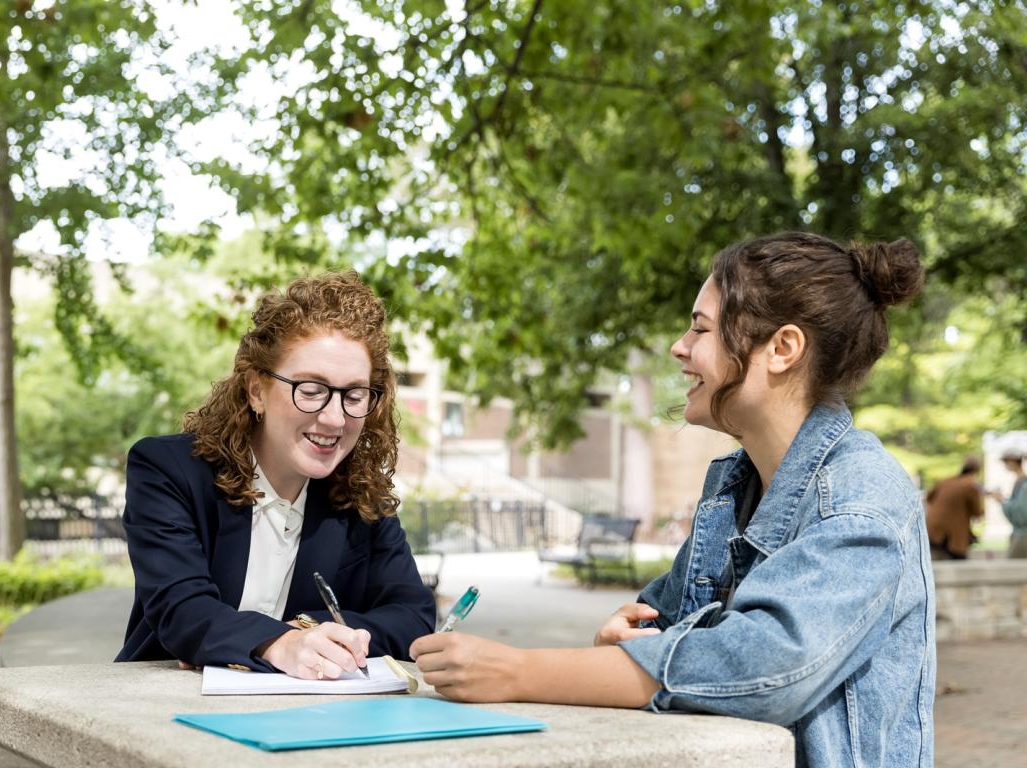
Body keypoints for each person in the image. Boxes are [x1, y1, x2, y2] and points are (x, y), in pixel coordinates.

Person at [410, 232, 935, 767]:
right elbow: (653, 631)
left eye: (700, 328)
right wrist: (624, 640)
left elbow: (762, 668)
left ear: (782, 349)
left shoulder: (861, 499)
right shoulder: (734, 484)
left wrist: (517, 672)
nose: (679, 347)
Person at [116, 271, 435, 680]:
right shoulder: (168, 470)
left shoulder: (359, 494)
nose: (335, 417)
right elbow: (181, 610)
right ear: (256, 391)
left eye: (354, 395)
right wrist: (277, 644)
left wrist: (307, 630)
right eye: (311, 389)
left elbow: (414, 616)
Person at [924, 456, 986, 560]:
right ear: (977, 470)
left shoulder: (946, 481)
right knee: (959, 560)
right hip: (950, 534)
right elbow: (977, 513)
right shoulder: (971, 485)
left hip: (931, 528)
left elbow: (929, 498)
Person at [995, 450, 1027, 558]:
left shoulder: (1024, 485)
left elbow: (1020, 515)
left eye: (1006, 461)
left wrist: (1002, 501)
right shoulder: (1020, 482)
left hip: (1022, 535)